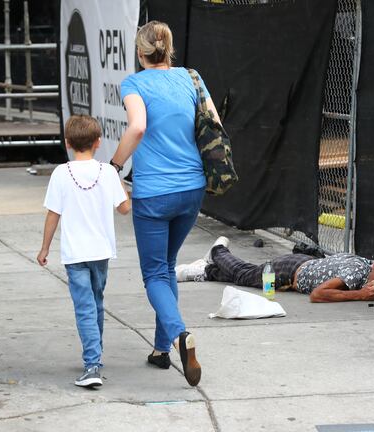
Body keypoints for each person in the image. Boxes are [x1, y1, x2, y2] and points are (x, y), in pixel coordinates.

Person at [109, 21, 221, 387]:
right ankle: (161, 349)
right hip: (192, 189)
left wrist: (114, 166)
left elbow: (137, 127)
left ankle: (179, 334)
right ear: (167, 49)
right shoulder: (192, 78)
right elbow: (214, 123)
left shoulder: (135, 84)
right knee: (166, 266)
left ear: (140, 53)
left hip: (154, 193)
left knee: (155, 273)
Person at [37, 115, 131, 388]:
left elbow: (53, 215)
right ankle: (95, 355)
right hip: (101, 252)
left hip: (75, 254)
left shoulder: (60, 173)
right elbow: (125, 209)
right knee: (96, 303)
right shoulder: (108, 172)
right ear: (98, 142)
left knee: (85, 308)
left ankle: (92, 365)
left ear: (67, 143)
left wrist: (44, 248)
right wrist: (118, 178)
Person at [177, 237, 374, 309]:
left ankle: (205, 271)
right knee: (242, 274)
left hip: (301, 265)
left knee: (247, 274)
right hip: (286, 272)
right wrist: (360, 295)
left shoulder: (372, 268)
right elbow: (318, 295)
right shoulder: (357, 272)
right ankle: (218, 251)